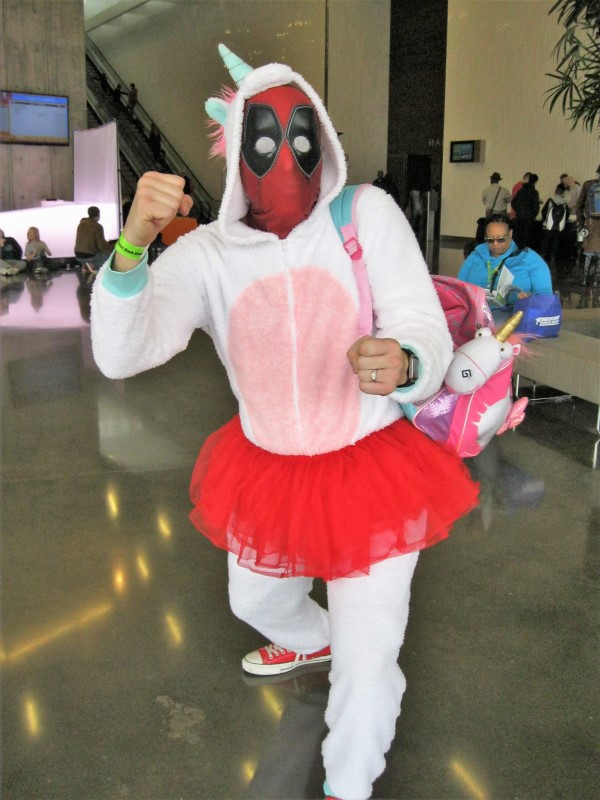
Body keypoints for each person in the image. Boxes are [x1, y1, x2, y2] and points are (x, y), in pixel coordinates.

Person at [90, 44, 478, 800]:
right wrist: (131, 245)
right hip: (268, 467)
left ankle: (348, 784)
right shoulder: (208, 253)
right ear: (237, 149)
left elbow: (421, 325)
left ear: (323, 136)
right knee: (256, 600)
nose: (286, 155)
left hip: (372, 466)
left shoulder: (365, 214)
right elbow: (120, 353)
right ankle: (313, 642)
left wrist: (406, 359)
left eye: (303, 134)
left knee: (369, 665)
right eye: (264, 138)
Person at [458, 213, 552, 307]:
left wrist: (530, 297)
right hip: (476, 311)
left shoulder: (530, 259)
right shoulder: (476, 255)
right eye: (490, 240)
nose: (495, 244)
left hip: (514, 313)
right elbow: (458, 288)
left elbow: (545, 295)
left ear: (510, 234)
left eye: (500, 239)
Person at [575, 164, 600, 290]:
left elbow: (578, 206)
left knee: (588, 253)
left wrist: (582, 222)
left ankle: (584, 280)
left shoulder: (588, 184)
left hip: (590, 223)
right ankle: (596, 281)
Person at [539, 184, 569, 276]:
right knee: (555, 244)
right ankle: (553, 259)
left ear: (556, 190)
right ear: (563, 192)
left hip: (548, 226)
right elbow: (567, 215)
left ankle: (542, 258)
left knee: (545, 243)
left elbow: (543, 211)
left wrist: (545, 221)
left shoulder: (550, 200)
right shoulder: (564, 203)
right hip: (558, 227)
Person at [74, 206, 112, 274]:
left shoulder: (81, 225)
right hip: (90, 256)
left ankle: (85, 265)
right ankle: (92, 265)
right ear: (98, 215)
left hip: (78, 255)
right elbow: (100, 246)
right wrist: (110, 253)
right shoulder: (98, 226)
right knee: (109, 258)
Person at [511, 172, 540, 248]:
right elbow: (536, 207)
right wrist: (533, 215)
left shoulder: (521, 191)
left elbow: (513, 203)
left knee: (518, 237)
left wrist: (518, 211)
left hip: (519, 217)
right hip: (529, 219)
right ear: (534, 182)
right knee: (527, 239)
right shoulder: (534, 192)